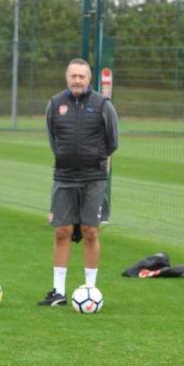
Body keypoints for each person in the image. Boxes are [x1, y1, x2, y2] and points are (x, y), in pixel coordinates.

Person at [38, 58, 119, 306]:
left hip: (93, 178)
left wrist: (95, 161)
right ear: (66, 77)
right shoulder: (55, 104)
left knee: (90, 232)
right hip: (63, 176)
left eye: (81, 76)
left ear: (89, 79)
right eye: (73, 76)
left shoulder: (102, 105)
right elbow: (53, 139)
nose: (77, 80)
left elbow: (112, 141)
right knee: (62, 231)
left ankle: (89, 290)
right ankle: (59, 291)